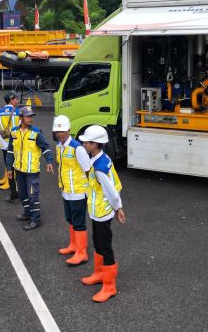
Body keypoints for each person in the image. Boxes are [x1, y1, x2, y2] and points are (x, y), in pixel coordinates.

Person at [78, 125, 125, 303]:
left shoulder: (99, 167)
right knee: (98, 243)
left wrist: (118, 208)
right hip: (97, 210)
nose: (83, 144)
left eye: (86, 142)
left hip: (102, 212)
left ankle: (110, 286)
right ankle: (99, 274)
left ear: (95, 144)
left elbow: (111, 191)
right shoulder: (101, 158)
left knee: (105, 247)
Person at [5, 107, 54, 231]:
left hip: (32, 171)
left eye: (31, 116)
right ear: (20, 118)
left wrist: (49, 161)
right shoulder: (14, 132)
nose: (30, 118)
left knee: (33, 195)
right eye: (27, 116)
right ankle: (27, 213)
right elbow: (10, 151)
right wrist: (9, 168)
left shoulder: (37, 133)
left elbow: (46, 147)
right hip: (19, 170)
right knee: (22, 194)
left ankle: (35, 219)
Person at [52, 115, 91, 266]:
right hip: (66, 190)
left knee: (79, 222)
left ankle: (82, 253)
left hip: (79, 192)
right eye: (57, 131)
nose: (60, 134)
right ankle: (74, 246)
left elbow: (88, 170)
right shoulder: (59, 147)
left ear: (69, 130)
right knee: (70, 219)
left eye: (62, 131)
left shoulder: (77, 148)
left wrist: (92, 191)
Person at [0, 92, 21, 195]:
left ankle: (8, 181)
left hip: (4, 144)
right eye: (16, 99)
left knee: (7, 162)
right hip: (16, 144)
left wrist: (3, 143)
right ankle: (12, 185)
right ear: (11, 100)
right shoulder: (18, 112)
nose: (17, 101)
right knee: (14, 165)